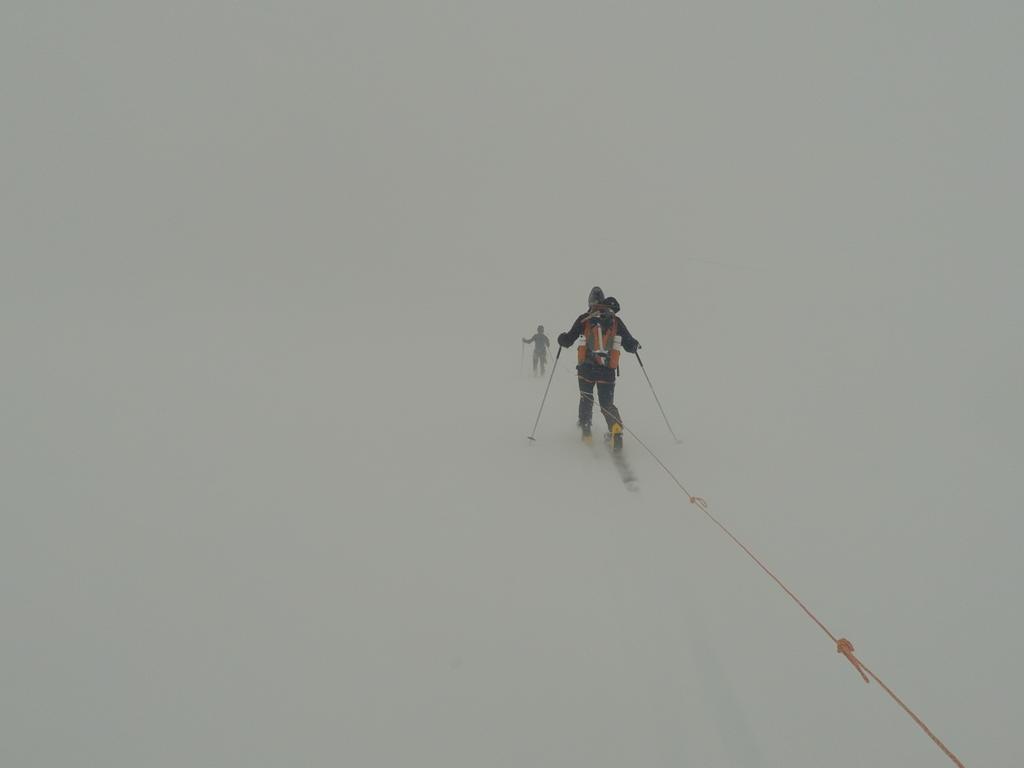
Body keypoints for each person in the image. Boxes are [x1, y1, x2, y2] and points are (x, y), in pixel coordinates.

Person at [557, 287, 640, 450]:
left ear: (590, 302)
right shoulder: (615, 320)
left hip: (586, 369)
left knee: (586, 398)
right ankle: (615, 429)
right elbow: (630, 344)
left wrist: (561, 338)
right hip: (607, 370)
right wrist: (635, 346)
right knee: (607, 404)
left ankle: (586, 430)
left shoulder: (585, 319)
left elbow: (568, 340)